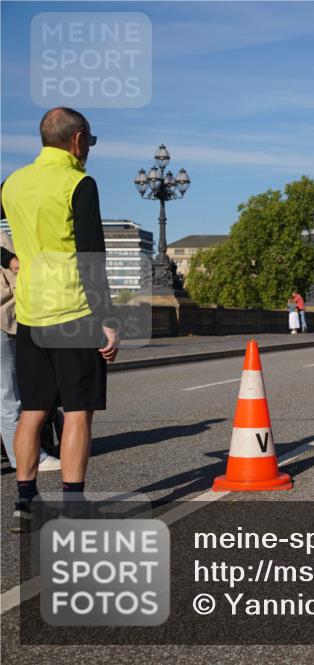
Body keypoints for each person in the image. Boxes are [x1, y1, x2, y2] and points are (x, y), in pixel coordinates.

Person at [1, 107, 119, 532]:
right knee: (76, 412)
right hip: (73, 311)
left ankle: (25, 502)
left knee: (32, 409)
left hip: (30, 311)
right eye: (88, 142)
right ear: (77, 140)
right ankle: (73, 504)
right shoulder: (79, 183)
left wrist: (8, 257)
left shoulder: (12, 183)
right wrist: (107, 319)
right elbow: (92, 258)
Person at [0, 231, 60, 472]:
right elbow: (16, 279)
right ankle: (28, 457)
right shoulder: (2, 238)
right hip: (4, 322)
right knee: (10, 393)